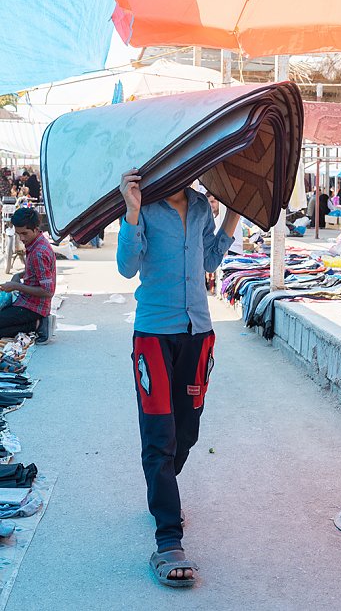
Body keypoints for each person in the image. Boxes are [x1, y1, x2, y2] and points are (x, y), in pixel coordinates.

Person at [117, 170, 240, 587]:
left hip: (197, 334)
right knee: (159, 436)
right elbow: (125, 267)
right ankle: (168, 540)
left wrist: (232, 218)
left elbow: (208, 260)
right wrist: (131, 211)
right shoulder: (144, 208)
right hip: (153, 334)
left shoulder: (202, 205)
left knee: (186, 432)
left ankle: (162, 489)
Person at [0, 208, 56, 342]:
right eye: (19, 234)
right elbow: (36, 270)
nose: (22, 238)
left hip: (33, 307)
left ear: (36, 229)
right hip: (26, 301)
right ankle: (35, 323)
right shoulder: (36, 243)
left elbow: (48, 291)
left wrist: (16, 286)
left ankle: (37, 324)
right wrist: (19, 275)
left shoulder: (38, 252)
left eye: (25, 233)